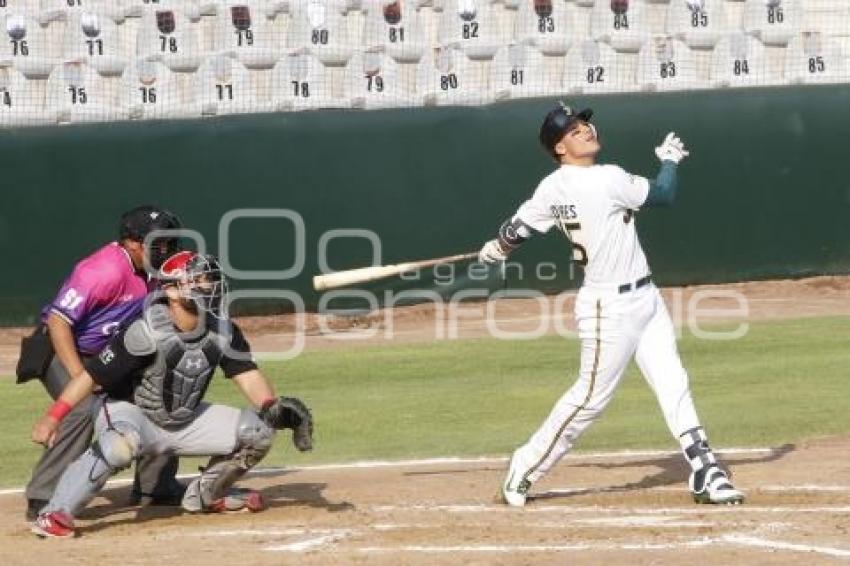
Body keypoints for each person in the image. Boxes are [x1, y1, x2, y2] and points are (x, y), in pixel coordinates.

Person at [478, 102, 744, 507]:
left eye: (584, 123)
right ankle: (526, 465)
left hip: (645, 298)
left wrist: (497, 248)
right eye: (573, 129)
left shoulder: (552, 187)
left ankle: (705, 470)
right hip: (608, 306)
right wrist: (670, 161)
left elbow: (518, 229)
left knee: (674, 382)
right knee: (589, 398)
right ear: (559, 148)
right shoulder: (606, 178)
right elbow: (665, 194)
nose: (585, 129)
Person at [29, 251, 313, 538]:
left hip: (183, 419)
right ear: (171, 290)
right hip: (130, 413)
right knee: (118, 446)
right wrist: (53, 418)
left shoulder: (223, 330)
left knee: (260, 430)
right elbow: (90, 378)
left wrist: (270, 406)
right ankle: (57, 512)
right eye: (199, 280)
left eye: (211, 279)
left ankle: (206, 496)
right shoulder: (145, 331)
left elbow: (247, 375)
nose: (209, 286)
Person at [18, 205, 186, 520]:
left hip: (109, 352)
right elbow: (58, 322)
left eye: (169, 241)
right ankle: (43, 496)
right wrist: (81, 376)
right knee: (82, 407)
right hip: (62, 348)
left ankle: (156, 486)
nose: (167, 249)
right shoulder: (103, 271)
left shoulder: (158, 270)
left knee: (159, 394)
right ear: (132, 243)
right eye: (159, 242)